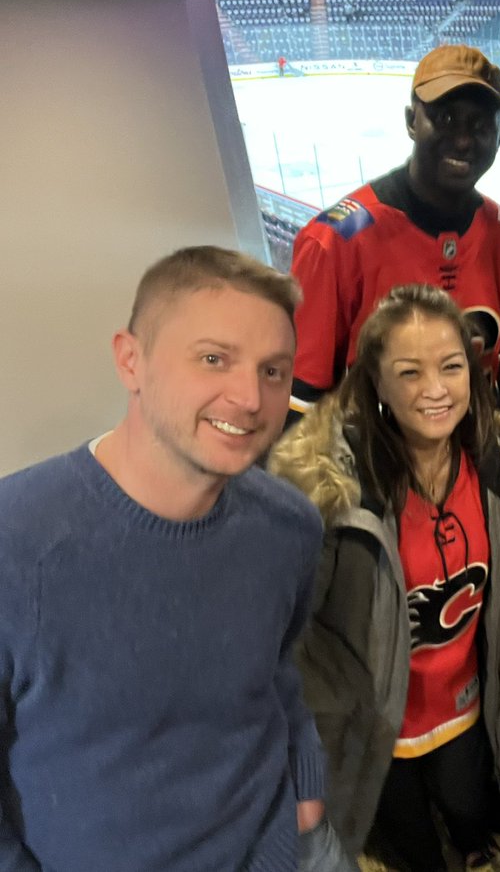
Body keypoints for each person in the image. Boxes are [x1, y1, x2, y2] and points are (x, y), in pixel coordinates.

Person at [0, 246, 353, 871]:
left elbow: (276, 666)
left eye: (273, 371)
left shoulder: (288, 525)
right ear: (131, 360)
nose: (249, 397)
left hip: (284, 845)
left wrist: (307, 788)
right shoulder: (17, 541)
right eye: (214, 359)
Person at [271, 284, 500, 872]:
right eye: (409, 372)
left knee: (466, 802)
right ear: (375, 382)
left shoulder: (496, 465)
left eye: (451, 367)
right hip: (378, 717)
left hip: (463, 697)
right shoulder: (331, 499)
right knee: (408, 837)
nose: (434, 390)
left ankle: (474, 846)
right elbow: (295, 637)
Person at [289, 43, 500, 417]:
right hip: (373, 470)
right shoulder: (334, 242)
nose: (463, 140)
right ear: (411, 121)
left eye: (480, 125)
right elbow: (301, 406)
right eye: (445, 119)